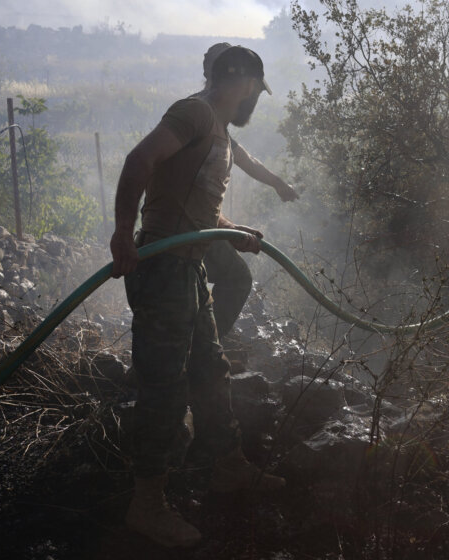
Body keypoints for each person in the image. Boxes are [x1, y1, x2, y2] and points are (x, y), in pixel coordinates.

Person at [109, 45, 287, 548]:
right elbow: (140, 159)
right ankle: (146, 505)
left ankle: (228, 466)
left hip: (187, 270)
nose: (256, 100)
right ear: (248, 84)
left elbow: (197, 210)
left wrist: (233, 231)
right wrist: (124, 233)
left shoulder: (217, 130)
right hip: (163, 269)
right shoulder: (195, 112)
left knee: (209, 369)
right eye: (257, 90)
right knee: (164, 390)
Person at [198, 42, 298, 340]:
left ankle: (202, 344)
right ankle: (205, 345)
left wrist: (278, 183)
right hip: (186, 232)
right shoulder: (199, 114)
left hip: (195, 228)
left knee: (223, 279)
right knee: (237, 278)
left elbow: (242, 158)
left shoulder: (211, 117)